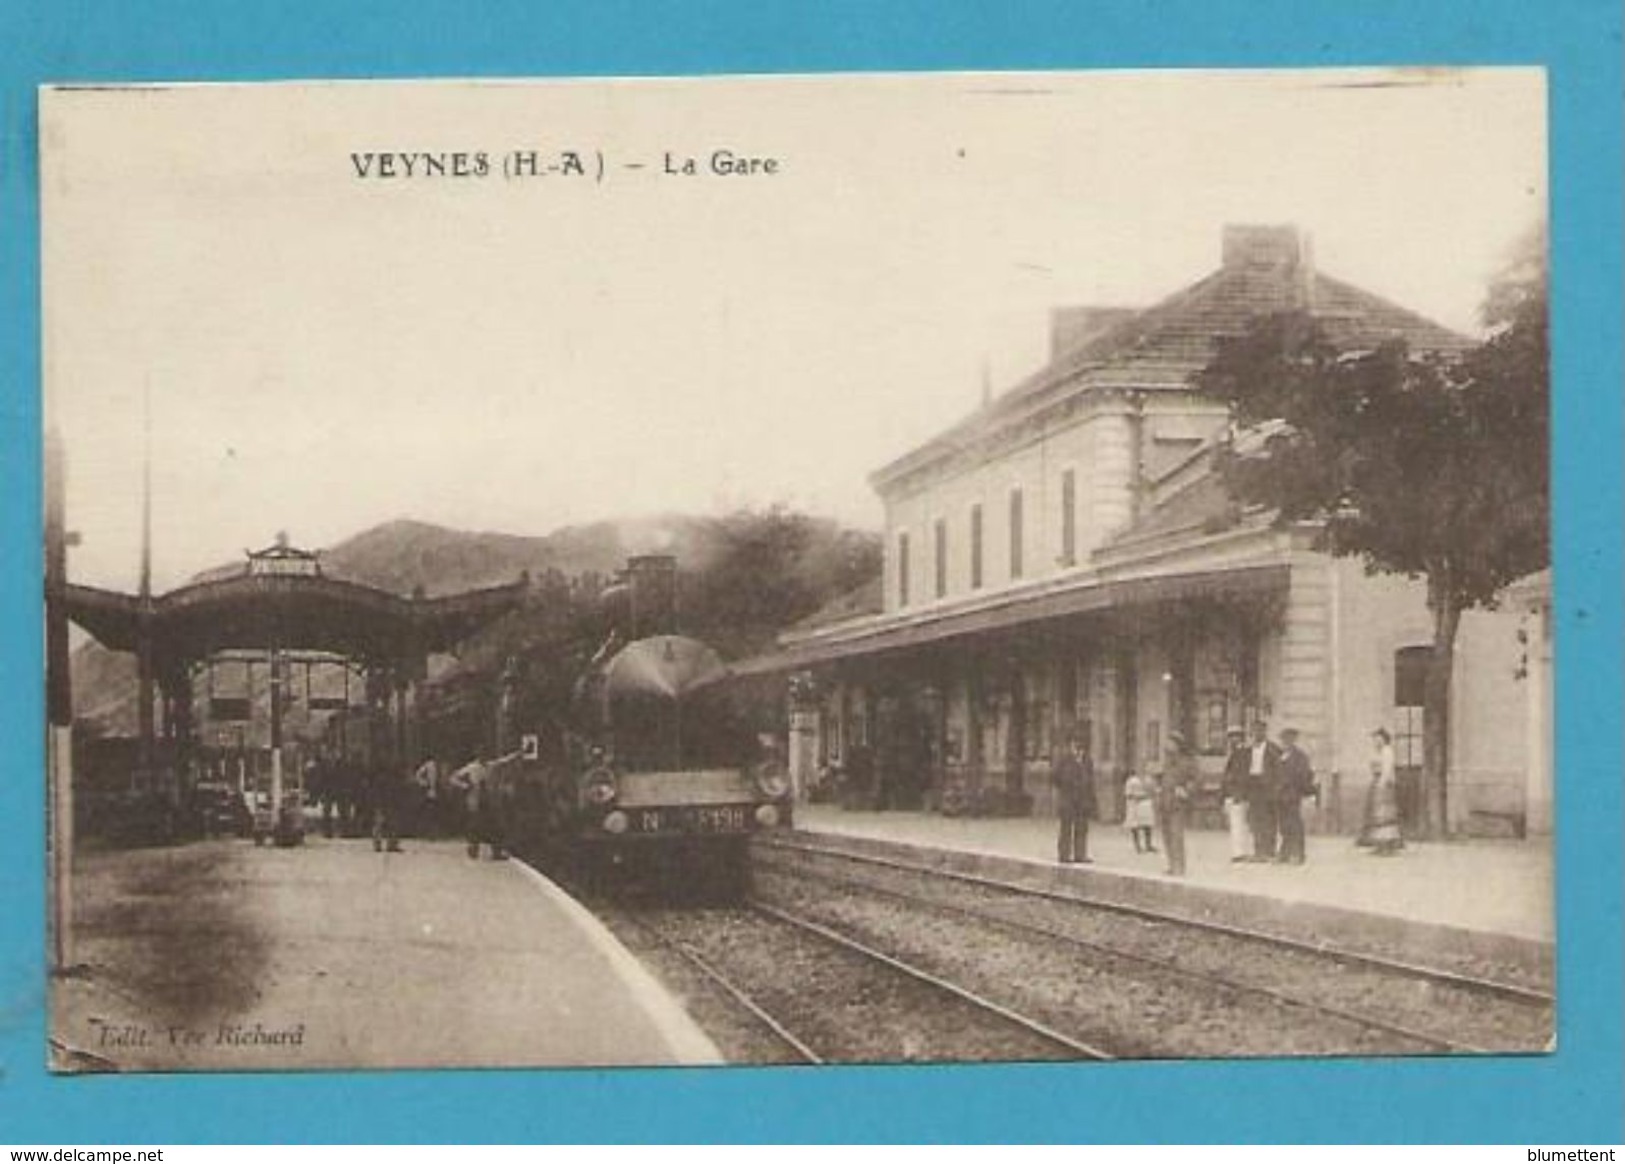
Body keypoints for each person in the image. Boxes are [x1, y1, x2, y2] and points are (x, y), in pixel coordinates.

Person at [1156, 730, 1197, 877]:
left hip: (1178, 804)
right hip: (1164, 802)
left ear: (1178, 745)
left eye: (1170, 743)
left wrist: (1186, 790)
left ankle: (1179, 866)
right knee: (1166, 835)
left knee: (1176, 835)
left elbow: (1195, 780)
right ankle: (1171, 864)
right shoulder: (1167, 762)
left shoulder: (1187, 762)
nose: (1167, 746)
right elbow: (1163, 779)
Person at [1052, 732, 1097, 864]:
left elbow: (1091, 781)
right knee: (1066, 828)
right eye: (1075, 744)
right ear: (1071, 745)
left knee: (1082, 828)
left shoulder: (1088, 760)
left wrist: (1091, 799)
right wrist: (1066, 787)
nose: (1078, 747)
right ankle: (1064, 855)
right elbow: (1055, 777)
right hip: (1068, 800)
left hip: (1083, 800)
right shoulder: (1064, 759)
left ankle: (1080, 854)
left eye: (1081, 745)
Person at [1275, 727, 1316, 864]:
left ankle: (1299, 854)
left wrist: (1291, 785)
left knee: (1295, 824)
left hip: (1292, 795)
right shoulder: (1280, 755)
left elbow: (1303, 776)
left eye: (1288, 739)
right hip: (1280, 796)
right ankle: (1285, 853)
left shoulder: (1300, 756)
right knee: (1284, 825)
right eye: (1283, 739)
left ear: (1293, 740)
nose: (1285, 741)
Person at [1362, 728, 1404, 855]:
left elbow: (1387, 769)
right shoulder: (1377, 752)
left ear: (1384, 739)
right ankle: (1379, 843)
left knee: (1385, 813)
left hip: (1385, 783)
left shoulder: (1387, 751)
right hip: (1377, 781)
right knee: (1377, 813)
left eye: (1378, 739)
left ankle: (1388, 845)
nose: (1376, 741)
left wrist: (1382, 783)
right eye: (1375, 739)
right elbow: (1372, 766)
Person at [1245, 720, 1282, 862]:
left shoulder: (1273, 749)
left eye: (1260, 731)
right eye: (1254, 731)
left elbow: (1279, 771)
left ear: (1264, 732)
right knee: (1255, 821)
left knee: (1269, 820)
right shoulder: (1249, 749)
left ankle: (1269, 851)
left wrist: (1275, 788)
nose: (1257, 734)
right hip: (1254, 787)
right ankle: (1258, 851)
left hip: (1268, 788)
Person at [1220, 725, 1254, 863]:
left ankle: (1240, 852)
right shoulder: (1234, 753)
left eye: (1235, 736)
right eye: (1231, 737)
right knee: (1236, 824)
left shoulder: (1244, 753)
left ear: (1241, 737)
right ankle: (1238, 851)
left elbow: (1242, 776)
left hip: (1239, 794)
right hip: (1232, 793)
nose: (1233, 739)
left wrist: (1238, 794)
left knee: (1239, 823)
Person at [1122, 769, 1157, 854]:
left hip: (1145, 803)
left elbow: (1153, 791)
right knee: (1135, 826)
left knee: (1148, 825)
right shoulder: (1131, 781)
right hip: (1135, 805)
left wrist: (1149, 795)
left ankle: (1148, 845)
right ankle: (1138, 847)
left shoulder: (1148, 779)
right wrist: (1138, 796)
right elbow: (1128, 794)